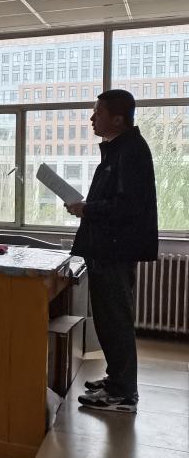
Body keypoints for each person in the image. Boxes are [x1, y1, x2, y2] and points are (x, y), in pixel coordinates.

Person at [69, 90, 157, 414]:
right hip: (106, 249)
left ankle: (122, 394)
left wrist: (87, 209)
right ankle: (116, 380)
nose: (92, 119)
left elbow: (128, 206)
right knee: (109, 321)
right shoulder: (118, 149)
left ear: (118, 119)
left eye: (98, 113)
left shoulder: (131, 152)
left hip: (115, 251)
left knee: (116, 321)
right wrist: (88, 208)